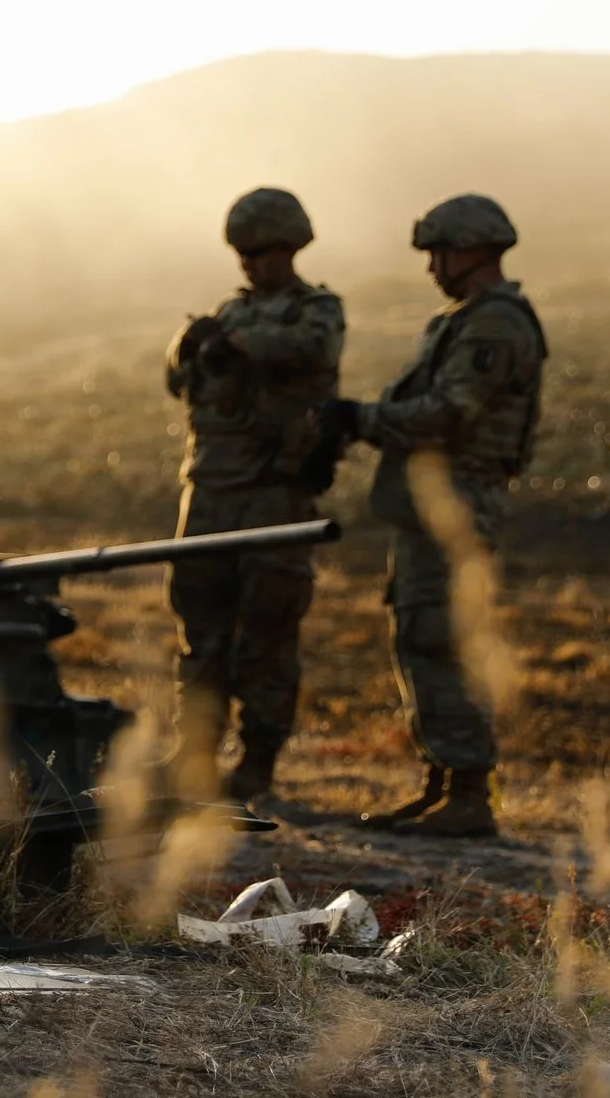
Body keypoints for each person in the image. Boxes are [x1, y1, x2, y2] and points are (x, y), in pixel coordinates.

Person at [327, 194, 545, 839]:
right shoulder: (465, 320)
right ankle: (444, 783)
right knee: (422, 635)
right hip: (435, 504)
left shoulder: (494, 325)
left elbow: (450, 413)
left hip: (459, 503)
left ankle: (468, 793)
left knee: (442, 639)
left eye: (440, 254)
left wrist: (361, 419)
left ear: (473, 250)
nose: (432, 268)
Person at [161, 188, 344, 804]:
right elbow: (179, 380)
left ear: (290, 247)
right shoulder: (228, 314)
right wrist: (189, 343)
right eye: (243, 253)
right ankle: (194, 755)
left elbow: (310, 351)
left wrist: (236, 343)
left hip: (273, 493)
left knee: (267, 632)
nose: (251, 263)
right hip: (210, 491)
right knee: (201, 631)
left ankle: (257, 760)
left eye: (261, 251)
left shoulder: (315, 311)